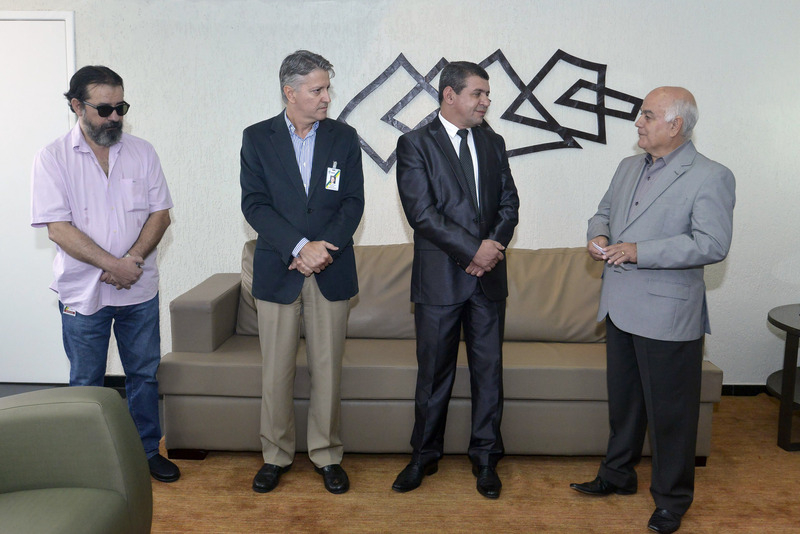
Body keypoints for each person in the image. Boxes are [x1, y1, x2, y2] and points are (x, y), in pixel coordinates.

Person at [571, 87, 735, 533]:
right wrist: (598, 236)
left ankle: (671, 500)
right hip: (619, 306)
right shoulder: (628, 166)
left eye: (647, 115)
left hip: (668, 315)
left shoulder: (711, 175)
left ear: (675, 125)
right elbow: (603, 213)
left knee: (671, 415)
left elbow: (712, 244)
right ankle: (617, 475)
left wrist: (639, 251)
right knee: (625, 404)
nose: (638, 122)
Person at [30, 65, 179, 482]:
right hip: (83, 292)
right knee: (86, 382)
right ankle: (88, 464)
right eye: (104, 109)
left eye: (121, 107)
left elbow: (161, 214)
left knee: (144, 375)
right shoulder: (53, 158)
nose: (115, 117)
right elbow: (58, 228)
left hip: (138, 289)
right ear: (77, 106)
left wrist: (132, 260)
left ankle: (147, 452)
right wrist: (114, 266)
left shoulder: (142, 152)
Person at [392, 61, 519, 499]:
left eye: (487, 94)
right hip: (440, 280)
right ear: (450, 95)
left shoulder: (493, 141)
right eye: (478, 93)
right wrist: (473, 251)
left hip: (488, 280)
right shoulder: (415, 144)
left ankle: (486, 458)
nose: (486, 101)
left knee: (489, 373)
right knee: (433, 375)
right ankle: (423, 456)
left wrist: (491, 248)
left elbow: (509, 203)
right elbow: (422, 213)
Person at [240, 50, 364, 495]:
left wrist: (321, 250)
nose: (327, 97)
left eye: (327, 88)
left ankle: (327, 455)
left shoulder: (344, 138)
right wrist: (298, 247)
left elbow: (352, 202)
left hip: (330, 268)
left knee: (327, 370)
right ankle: (275, 455)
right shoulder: (258, 137)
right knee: (276, 372)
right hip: (280, 267)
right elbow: (255, 204)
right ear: (290, 93)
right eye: (318, 89)